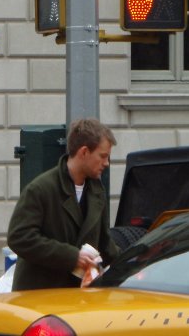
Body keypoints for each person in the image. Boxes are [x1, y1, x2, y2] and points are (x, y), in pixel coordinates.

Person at [7, 117, 120, 290]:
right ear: (84, 152)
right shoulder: (40, 189)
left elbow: (105, 245)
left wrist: (134, 265)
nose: (106, 163)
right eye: (103, 156)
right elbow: (19, 237)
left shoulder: (97, 191)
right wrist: (72, 257)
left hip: (78, 298)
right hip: (41, 298)